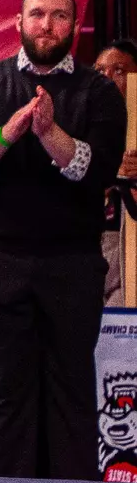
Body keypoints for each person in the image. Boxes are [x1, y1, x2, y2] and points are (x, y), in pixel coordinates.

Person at [0, 0, 126, 479]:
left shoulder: (100, 93)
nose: (47, 25)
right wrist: (8, 132)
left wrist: (50, 133)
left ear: (75, 26)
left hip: (72, 263)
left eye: (60, 16)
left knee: (71, 385)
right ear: (18, 24)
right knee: (7, 388)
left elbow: (98, 172)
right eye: (38, 15)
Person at [93, 38, 137, 305]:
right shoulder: (81, 124)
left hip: (131, 258)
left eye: (118, 71)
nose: (107, 79)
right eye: (99, 71)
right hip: (94, 248)